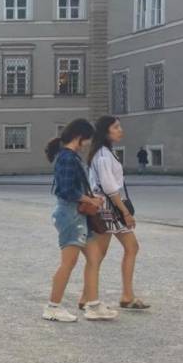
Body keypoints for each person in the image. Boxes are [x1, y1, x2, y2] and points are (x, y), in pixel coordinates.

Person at [42, 119, 116, 322]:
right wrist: (90, 199)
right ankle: (52, 307)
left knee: (94, 257)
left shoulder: (69, 156)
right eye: (87, 139)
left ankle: (93, 305)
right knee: (69, 262)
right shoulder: (67, 158)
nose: (88, 144)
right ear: (78, 137)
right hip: (70, 215)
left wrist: (90, 198)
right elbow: (66, 191)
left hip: (78, 214)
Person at [89, 116, 149, 311]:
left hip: (105, 206)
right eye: (116, 127)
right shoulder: (104, 155)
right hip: (110, 207)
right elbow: (109, 188)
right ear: (105, 131)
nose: (120, 130)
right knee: (127, 248)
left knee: (100, 253)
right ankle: (123, 296)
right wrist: (125, 213)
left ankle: (93, 296)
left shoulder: (104, 153)